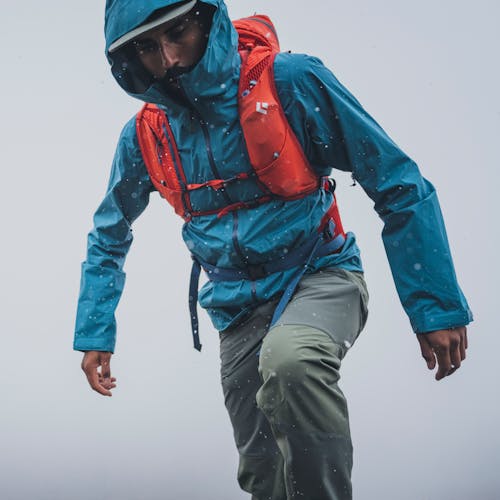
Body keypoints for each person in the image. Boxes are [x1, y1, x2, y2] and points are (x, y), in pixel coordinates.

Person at [74, 1, 473, 498]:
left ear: (206, 20)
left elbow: (399, 183)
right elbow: (108, 235)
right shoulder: (144, 136)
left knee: (292, 362)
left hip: (321, 274)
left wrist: (434, 307)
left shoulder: (291, 81)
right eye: (149, 48)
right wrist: (95, 332)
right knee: (263, 472)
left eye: (178, 33)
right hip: (236, 309)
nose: (170, 58)